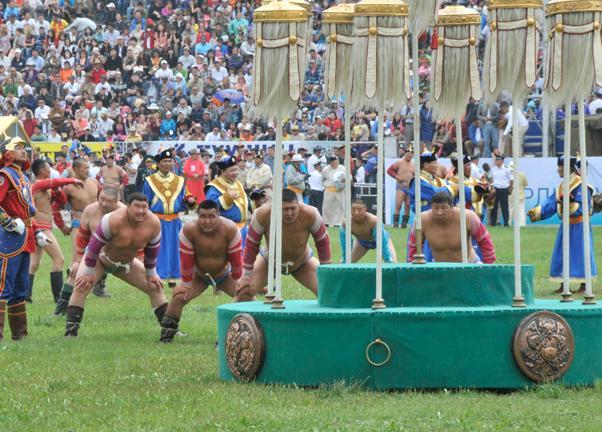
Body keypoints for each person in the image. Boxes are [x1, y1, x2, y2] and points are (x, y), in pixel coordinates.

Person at [65, 193, 168, 338]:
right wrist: (88, 272)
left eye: (144, 207)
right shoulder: (112, 220)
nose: (140, 211)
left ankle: (170, 330)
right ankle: (70, 333)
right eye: (136, 206)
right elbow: (94, 247)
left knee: (155, 286)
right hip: (100, 260)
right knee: (81, 285)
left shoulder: (153, 223)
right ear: (128, 207)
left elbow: (152, 252)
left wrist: (152, 274)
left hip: (127, 264)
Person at [159, 200, 243, 342]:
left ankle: (233, 336)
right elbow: (186, 260)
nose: (207, 221)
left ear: (219, 215)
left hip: (224, 275)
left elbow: (236, 260)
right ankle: (166, 337)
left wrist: (238, 281)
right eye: (202, 216)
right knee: (179, 297)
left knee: (246, 297)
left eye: (211, 216)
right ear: (197, 215)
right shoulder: (189, 229)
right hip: (198, 275)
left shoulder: (230, 229)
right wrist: (185, 283)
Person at [236, 190, 331, 300]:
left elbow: (323, 242)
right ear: (276, 207)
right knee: (243, 291)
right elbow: (252, 245)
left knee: (328, 292)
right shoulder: (261, 214)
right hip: (269, 260)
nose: (290, 213)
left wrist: (326, 271)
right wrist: (246, 275)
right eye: (285, 209)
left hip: (302, 261)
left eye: (293, 208)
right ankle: (245, 317)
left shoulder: (311, 214)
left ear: (298, 205)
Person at [0, 137, 51, 340]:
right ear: (8, 153)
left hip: (26, 237)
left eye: (24, 148)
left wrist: (37, 230)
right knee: (4, 286)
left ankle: (20, 335)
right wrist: (8, 223)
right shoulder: (5, 175)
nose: (23, 151)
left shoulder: (23, 176)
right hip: (9, 238)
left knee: (21, 288)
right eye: (17, 148)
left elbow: (26, 211)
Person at [527, 156, 597, 293]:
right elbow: (551, 204)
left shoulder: (581, 185)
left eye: (559, 166)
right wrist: (535, 212)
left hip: (580, 226)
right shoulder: (562, 186)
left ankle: (584, 285)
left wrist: (567, 204)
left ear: (567, 168)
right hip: (566, 226)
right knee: (561, 254)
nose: (557, 169)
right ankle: (563, 284)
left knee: (581, 253)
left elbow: (581, 206)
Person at [55, 187, 126, 313]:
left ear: (117, 201)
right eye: (101, 199)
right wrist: (78, 260)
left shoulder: (124, 212)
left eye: (109, 201)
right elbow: (82, 238)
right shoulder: (90, 210)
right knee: (75, 275)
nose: (104, 203)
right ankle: (61, 310)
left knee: (150, 283)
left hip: (119, 256)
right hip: (94, 253)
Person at [29, 159, 83, 303]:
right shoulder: (37, 184)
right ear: (41, 170)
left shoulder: (47, 187)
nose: (51, 169)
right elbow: (54, 182)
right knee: (59, 259)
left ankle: (25, 296)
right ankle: (58, 298)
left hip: (41, 227)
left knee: (34, 263)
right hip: (40, 227)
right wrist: (73, 180)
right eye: (48, 167)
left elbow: (63, 201)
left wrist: (58, 191)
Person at [53, 157, 100, 314]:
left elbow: (103, 203)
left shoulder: (95, 183)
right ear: (76, 169)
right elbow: (56, 207)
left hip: (97, 227)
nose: (87, 170)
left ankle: (99, 288)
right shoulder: (68, 187)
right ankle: (65, 300)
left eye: (88, 167)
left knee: (102, 258)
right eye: (84, 168)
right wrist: (61, 226)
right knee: (76, 263)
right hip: (78, 225)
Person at [144, 149, 196, 288]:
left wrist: (190, 200)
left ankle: (174, 276)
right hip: (157, 220)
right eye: (164, 161)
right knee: (158, 249)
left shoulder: (179, 181)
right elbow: (145, 201)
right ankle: (157, 276)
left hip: (174, 221)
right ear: (158, 164)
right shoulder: (150, 181)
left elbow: (186, 196)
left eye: (169, 161)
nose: (168, 163)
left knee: (175, 248)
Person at [408, 192, 496, 264]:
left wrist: (489, 266)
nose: (439, 212)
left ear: (452, 207)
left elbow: (485, 241)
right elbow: (413, 246)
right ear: (431, 207)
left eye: (443, 208)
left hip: (469, 263)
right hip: (440, 267)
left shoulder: (468, 217)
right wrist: (412, 269)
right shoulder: (421, 220)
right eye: (435, 208)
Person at [205, 156, 249, 248]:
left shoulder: (237, 183)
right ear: (222, 171)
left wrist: (255, 202)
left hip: (242, 230)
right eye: (231, 170)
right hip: (225, 231)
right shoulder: (214, 187)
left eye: (236, 169)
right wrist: (227, 197)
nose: (235, 173)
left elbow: (242, 203)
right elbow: (209, 208)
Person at [339, 199, 397, 263]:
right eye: (353, 210)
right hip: (362, 242)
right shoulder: (346, 223)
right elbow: (345, 244)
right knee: (344, 262)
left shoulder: (374, 221)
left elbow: (382, 241)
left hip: (382, 241)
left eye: (359, 210)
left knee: (392, 263)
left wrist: (387, 258)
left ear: (365, 210)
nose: (356, 212)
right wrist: (345, 258)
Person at [386, 147, 414, 228]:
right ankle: (395, 224)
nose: (409, 155)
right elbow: (389, 170)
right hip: (401, 186)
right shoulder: (399, 162)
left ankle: (404, 224)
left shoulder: (413, 165)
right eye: (408, 153)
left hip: (409, 187)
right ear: (405, 154)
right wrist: (397, 176)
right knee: (398, 205)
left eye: (411, 153)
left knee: (408, 206)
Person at [321, 156, 345, 226]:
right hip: (329, 190)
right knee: (327, 207)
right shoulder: (326, 169)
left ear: (338, 161)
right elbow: (322, 179)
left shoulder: (343, 168)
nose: (334, 163)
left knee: (340, 207)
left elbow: (349, 177)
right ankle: (327, 222)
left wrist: (344, 180)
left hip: (340, 190)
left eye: (335, 161)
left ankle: (338, 223)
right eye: (332, 161)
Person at [490, 155, 513, 227]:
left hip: (504, 189)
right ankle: (493, 223)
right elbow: (491, 179)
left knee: (504, 207)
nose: (496, 161)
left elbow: (511, 180)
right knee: (493, 207)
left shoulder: (507, 169)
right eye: (496, 160)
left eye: (498, 160)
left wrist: (510, 189)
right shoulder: (493, 169)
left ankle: (506, 223)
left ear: (502, 161)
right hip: (495, 189)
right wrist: (491, 187)